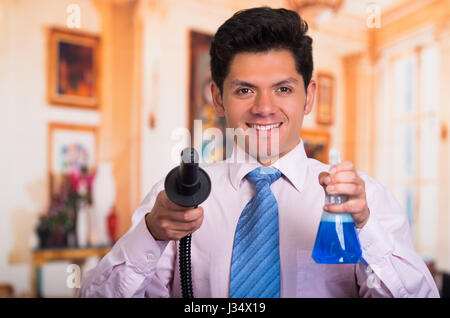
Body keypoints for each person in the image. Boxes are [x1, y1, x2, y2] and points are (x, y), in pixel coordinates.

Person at [79, 7, 439, 298]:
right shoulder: (172, 203)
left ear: (308, 96)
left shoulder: (365, 202)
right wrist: (151, 235)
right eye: (245, 90)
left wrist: (365, 229)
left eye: (283, 88)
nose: (264, 108)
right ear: (218, 98)